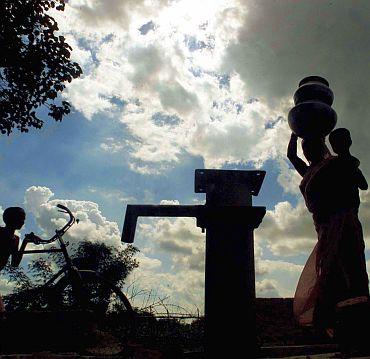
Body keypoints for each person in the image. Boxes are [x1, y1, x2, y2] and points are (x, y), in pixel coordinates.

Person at [288, 133, 369, 341]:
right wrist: (295, 135)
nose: (307, 153)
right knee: (331, 271)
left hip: (343, 224)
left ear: (321, 148)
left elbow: (362, 184)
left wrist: (345, 154)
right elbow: (291, 155)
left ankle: (356, 324)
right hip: (324, 229)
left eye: (311, 148)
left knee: (350, 270)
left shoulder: (335, 164)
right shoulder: (310, 171)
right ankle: (340, 326)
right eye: (305, 150)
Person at [0, 207, 38, 312]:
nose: (23, 222)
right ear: (12, 219)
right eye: (21, 218)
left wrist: (25, 241)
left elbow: (15, 263)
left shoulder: (15, 239)